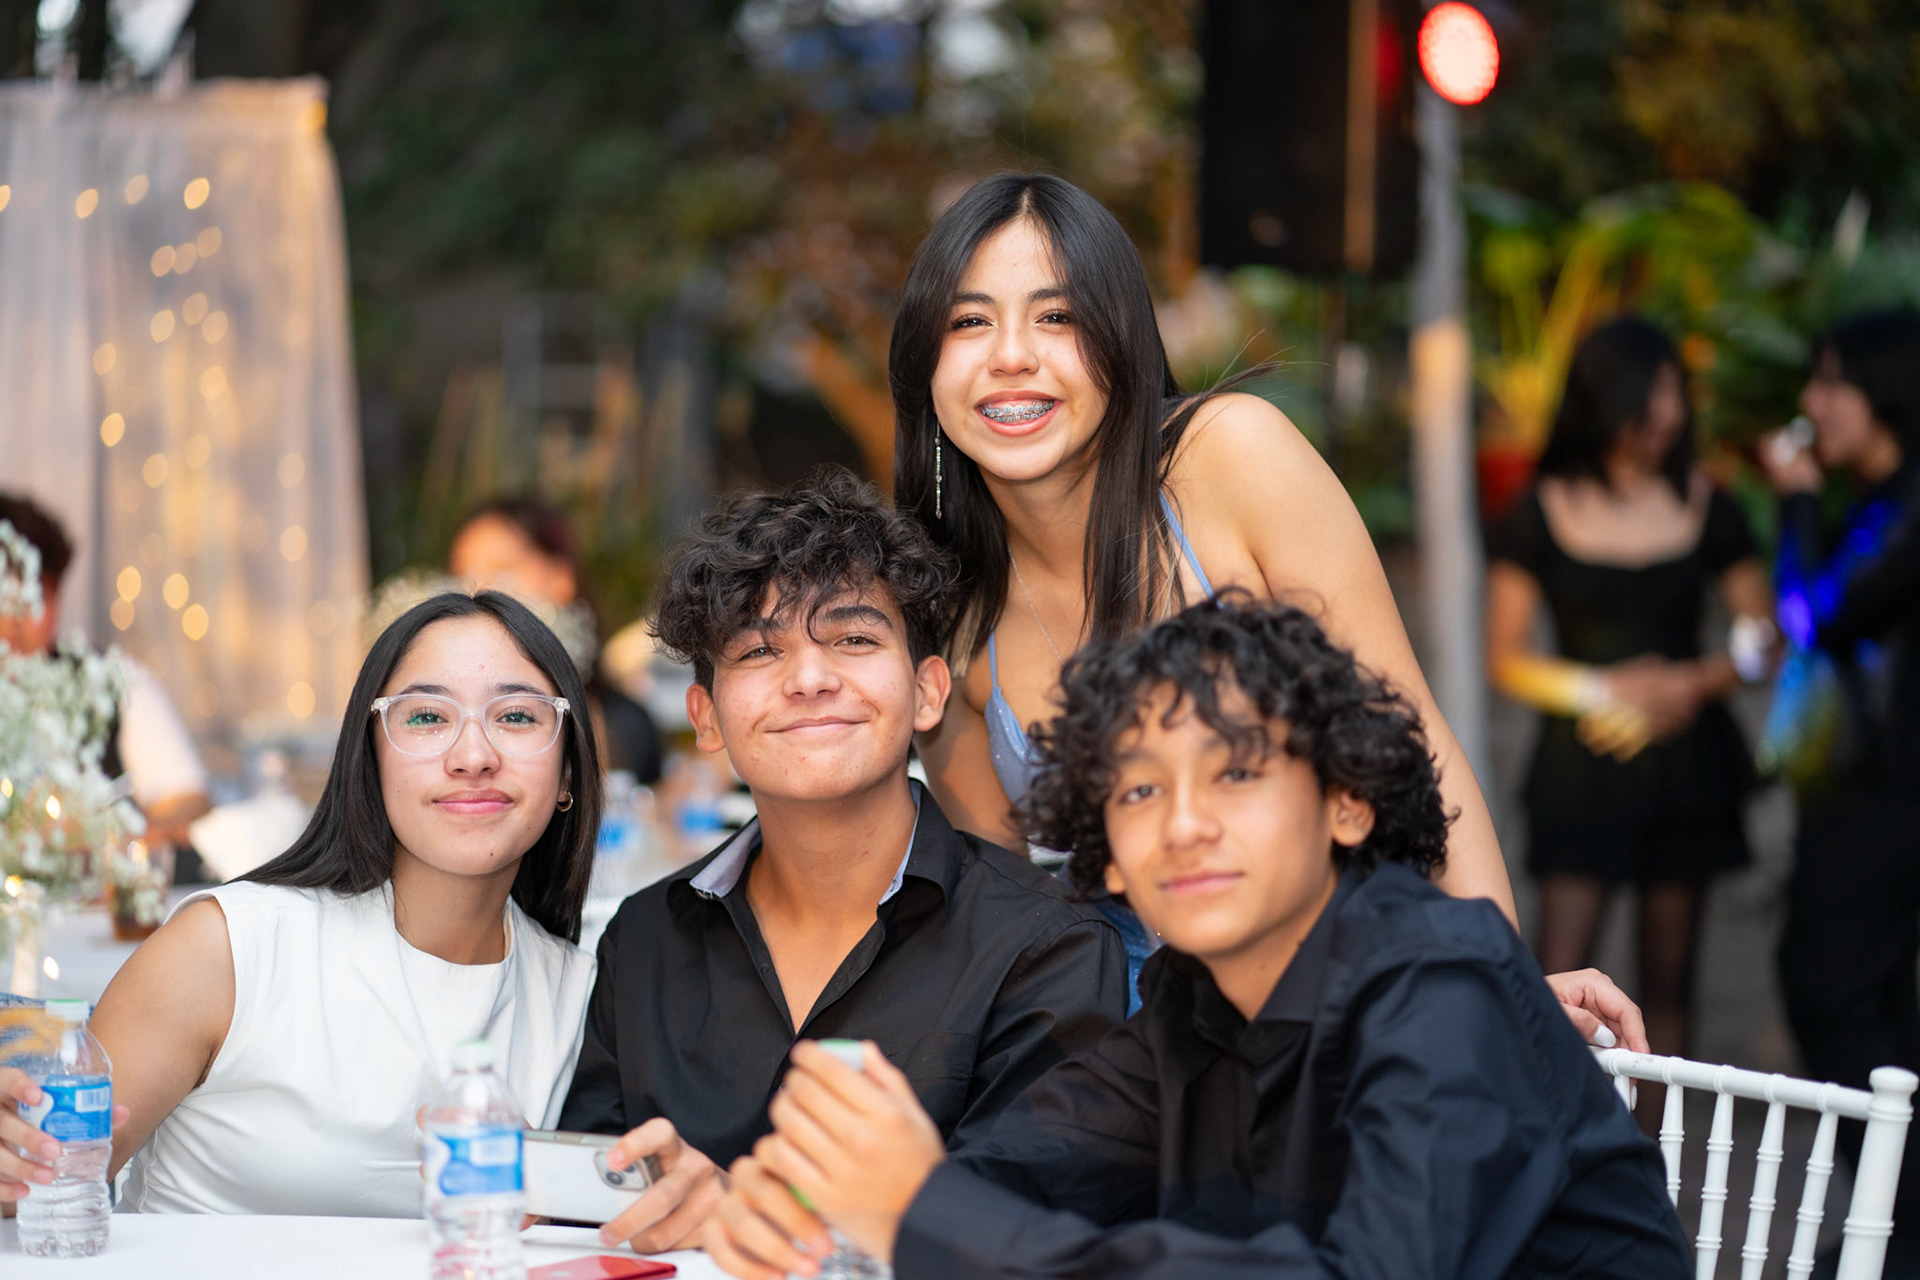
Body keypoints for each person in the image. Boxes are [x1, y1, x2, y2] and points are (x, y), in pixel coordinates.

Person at [705, 598, 1691, 1280]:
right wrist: (809, 1200)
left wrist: (924, 1211)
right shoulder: (1194, 998)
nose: (1182, 824)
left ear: (1347, 802)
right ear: (1111, 861)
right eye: (1139, 790)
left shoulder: (1441, 985)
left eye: (1237, 774)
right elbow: (1023, 1164)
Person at [890, 171, 1638, 1033]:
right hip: (1128, 1047)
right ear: (924, 363)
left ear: (1122, 338)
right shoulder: (952, 618)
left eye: (1056, 316)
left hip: (1346, 999)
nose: (1011, 355)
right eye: (969, 321)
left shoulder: (1229, 459)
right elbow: (1015, 931)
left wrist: (1496, 985)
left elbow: (1408, 736)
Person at [556, 469, 1128, 1254]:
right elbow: (582, 1208)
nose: (810, 679)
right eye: (760, 649)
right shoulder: (646, 936)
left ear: (928, 692)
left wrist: (753, 1214)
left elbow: (1026, 1233)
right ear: (707, 718)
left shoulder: (1046, 951)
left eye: (854, 639)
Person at [0, 591, 601, 1214]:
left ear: (567, 772)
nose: (473, 757)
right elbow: (39, 1185)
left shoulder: (580, 996)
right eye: (427, 716)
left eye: (517, 716)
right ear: (369, 757)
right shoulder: (228, 950)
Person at [1484, 317, 1771, 1064]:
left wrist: (1692, 681)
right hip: (1582, 769)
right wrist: (1602, 690)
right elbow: (1505, 659)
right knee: (1558, 975)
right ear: (1606, 397)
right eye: (1655, 391)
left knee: (1668, 988)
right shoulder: (1537, 510)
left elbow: (1766, 636)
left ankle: (1654, 1141)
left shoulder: (1711, 505)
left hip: (1687, 768)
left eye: (1678, 392)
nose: (1670, 412)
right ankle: (1554, 1135)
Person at [1762, 308, 1920, 1264]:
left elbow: (1809, 613)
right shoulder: (1881, 497)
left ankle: (1892, 1227)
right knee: (1876, 1002)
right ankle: (1890, 1229)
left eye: (1832, 382)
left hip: (1883, 804)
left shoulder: (1907, 504)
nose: (1812, 402)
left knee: (1831, 987)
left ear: (1885, 391)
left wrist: (1793, 500)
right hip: (1868, 796)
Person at [0, 492, 211, 856]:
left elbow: (188, 803)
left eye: (35, 597)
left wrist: (100, 840)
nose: (15, 621)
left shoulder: (115, 682)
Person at [449, 497, 664, 785]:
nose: (478, 589)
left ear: (562, 577)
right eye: (461, 576)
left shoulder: (622, 724)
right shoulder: (444, 716)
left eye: (501, 569)